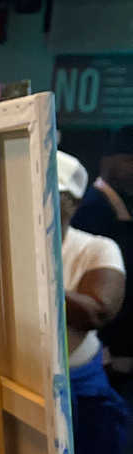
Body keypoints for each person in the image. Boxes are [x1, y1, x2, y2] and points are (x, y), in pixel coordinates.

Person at [59, 151, 128, 454]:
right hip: (13, 378)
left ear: (72, 204)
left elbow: (97, 311)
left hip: (79, 377)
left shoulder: (96, 248)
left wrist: (34, 271)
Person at [72, 145, 133, 390]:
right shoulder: (92, 206)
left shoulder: (119, 202)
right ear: (107, 162)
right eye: (129, 160)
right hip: (104, 337)